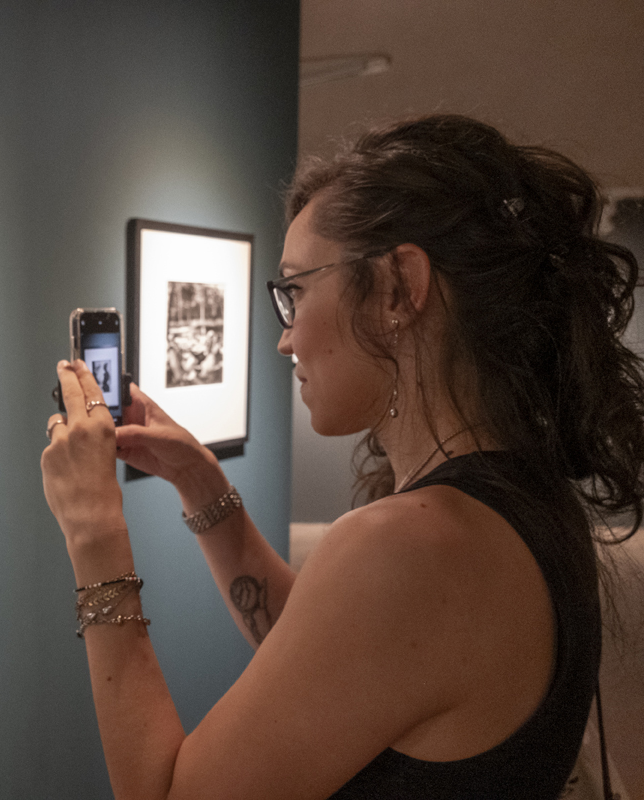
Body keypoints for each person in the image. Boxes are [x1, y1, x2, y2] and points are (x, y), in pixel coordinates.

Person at [41, 115, 644, 799]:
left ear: (398, 288)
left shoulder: (411, 544)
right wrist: (196, 479)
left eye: (297, 290)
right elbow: (333, 657)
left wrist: (94, 532)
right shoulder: (523, 495)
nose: (286, 338)